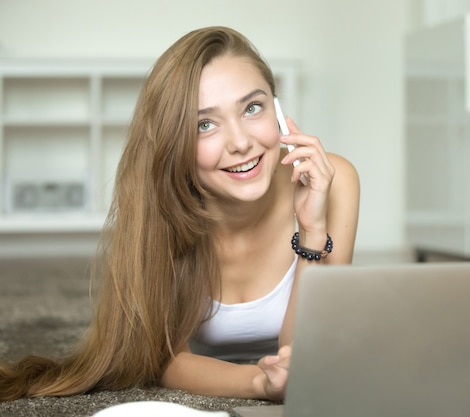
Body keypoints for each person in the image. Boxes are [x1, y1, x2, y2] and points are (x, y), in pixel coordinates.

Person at [0, 26, 360, 401]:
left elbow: (308, 357)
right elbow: (162, 359)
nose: (240, 143)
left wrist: (312, 230)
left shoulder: (331, 181)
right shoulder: (161, 205)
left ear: (279, 109)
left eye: (253, 107)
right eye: (205, 124)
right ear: (176, 141)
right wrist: (258, 383)